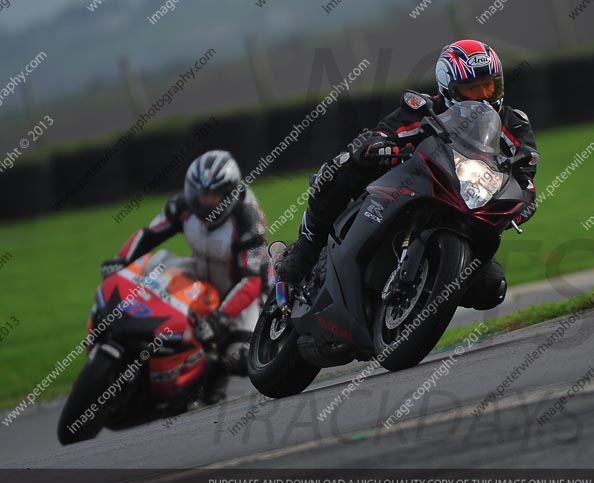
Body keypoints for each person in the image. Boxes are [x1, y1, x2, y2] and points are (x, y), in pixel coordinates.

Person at [276, 39, 539, 310]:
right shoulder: (423, 107)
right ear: (450, 89)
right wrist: (378, 145)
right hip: (411, 185)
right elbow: (384, 132)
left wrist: (521, 205)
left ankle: (419, 302)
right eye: (472, 88)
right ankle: (304, 249)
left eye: (489, 85)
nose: (484, 94)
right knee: (343, 165)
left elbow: (525, 177)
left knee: (491, 288)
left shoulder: (515, 124)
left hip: (467, 208)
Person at [100, 150, 269, 400]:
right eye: (200, 194)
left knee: (240, 357)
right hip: (199, 274)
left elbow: (251, 281)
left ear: (230, 192)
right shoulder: (182, 206)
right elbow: (149, 235)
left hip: (241, 294)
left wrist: (220, 318)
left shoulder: (247, 220)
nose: (205, 201)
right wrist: (121, 261)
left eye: (213, 195)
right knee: (155, 266)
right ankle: (133, 341)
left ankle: (211, 376)